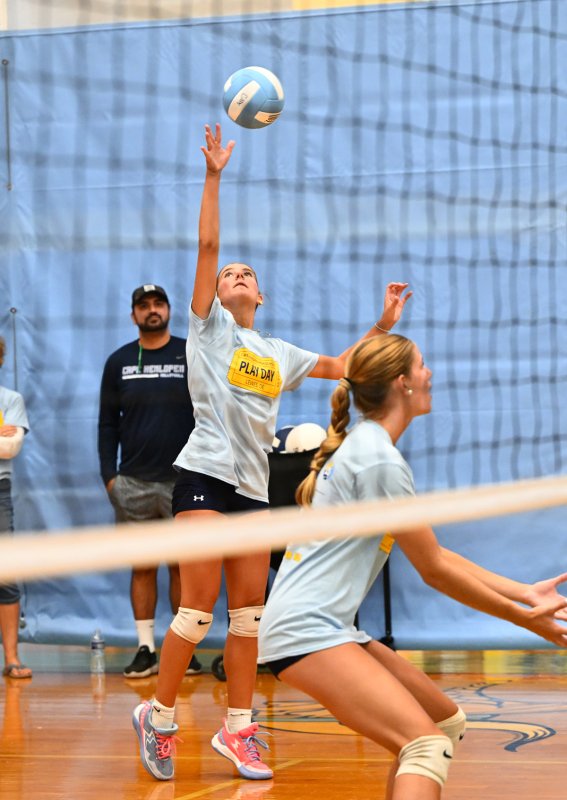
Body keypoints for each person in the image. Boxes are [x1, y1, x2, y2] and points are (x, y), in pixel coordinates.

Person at [131, 123, 412, 783]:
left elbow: (346, 366)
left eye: (244, 274)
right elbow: (206, 243)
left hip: (254, 488)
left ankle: (238, 731)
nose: (233, 275)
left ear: (258, 296)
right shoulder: (206, 329)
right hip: (202, 473)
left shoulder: (277, 353)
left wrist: (381, 327)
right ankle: (160, 716)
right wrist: (214, 175)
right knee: (196, 612)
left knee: (249, 617)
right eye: (228, 272)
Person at [257, 333, 567, 800]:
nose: (430, 374)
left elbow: (436, 554)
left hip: (327, 626)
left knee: (445, 724)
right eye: (421, 365)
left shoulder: (368, 447)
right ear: (402, 383)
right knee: (425, 747)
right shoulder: (377, 460)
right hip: (306, 630)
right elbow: (434, 570)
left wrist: (525, 593)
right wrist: (523, 619)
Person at [98, 284, 201, 678]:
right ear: (134, 315)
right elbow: (107, 425)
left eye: (158, 303)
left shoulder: (189, 354)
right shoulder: (118, 361)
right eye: (144, 306)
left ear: (169, 310)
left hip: (183, 482)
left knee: (182, 568)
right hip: (134, 483)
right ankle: (146, 648)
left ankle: (184, 650)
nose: (152, 310)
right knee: (142, 568)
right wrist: (111, 479)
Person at [0, 336, 31, 680]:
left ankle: (12, 657)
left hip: (0, 490)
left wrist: (6, 441)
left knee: (5, 573)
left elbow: (11, 449)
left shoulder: (11, 399)